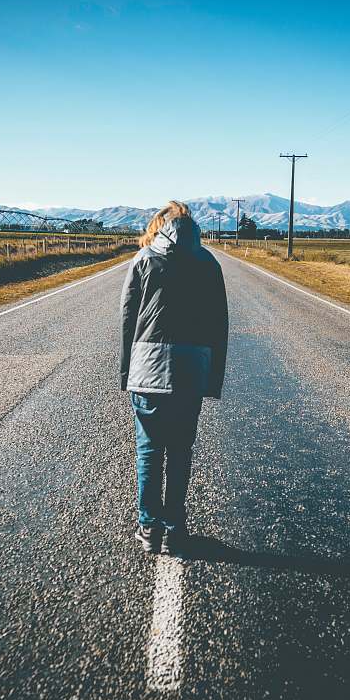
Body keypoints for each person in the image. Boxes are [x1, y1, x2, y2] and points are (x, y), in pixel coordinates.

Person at [120, 201, 228, 555]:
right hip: (190, 371)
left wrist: (126, 373)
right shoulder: (209, 263)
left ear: (159, 227)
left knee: (149, 451)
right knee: (181, 450)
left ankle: (148, 528)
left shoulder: (144, 260)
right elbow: (218, 326)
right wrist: (212, 379)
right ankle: (174, 529)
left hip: (148, 370)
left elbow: (128, 319)